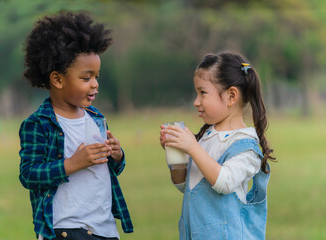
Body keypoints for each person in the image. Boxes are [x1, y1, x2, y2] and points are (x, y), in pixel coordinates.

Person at [19, 11, 133, 240]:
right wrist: (72, 163)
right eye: (86, 78)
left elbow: (108, 170)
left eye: (97, 76)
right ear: (57, 80)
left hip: (104, 228)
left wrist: (117, 156)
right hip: (65, 229)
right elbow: (29, 175)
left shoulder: (96, 118)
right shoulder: (38, 124)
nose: (95, 85)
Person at [160, 51, 275, 239]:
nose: (196, 102)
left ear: (231, 96)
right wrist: (176, 155)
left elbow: (224, 182)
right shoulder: (206, 137)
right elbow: (185, 186)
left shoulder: (245, 146)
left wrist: (193, 148)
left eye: (202, 93)